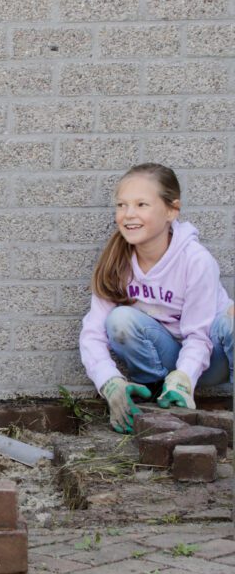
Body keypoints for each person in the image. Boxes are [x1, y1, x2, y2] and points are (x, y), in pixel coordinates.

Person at [80, 163, 233, 434]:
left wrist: (184, 378)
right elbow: (92, 333)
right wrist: (109, 381)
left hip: (209, 358)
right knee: (120, 319)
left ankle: (185, 392)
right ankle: (156, 397)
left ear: (172, 210)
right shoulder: (117, 262)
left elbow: (199, 337)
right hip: (164, 358)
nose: (128, 215)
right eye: (121, 205)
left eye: (141, 205)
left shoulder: (196, 260)